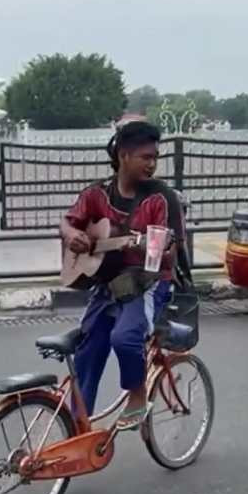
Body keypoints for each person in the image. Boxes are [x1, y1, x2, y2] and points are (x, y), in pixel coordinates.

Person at [60, 121, 188, 431]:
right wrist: (73, 236)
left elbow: (171, 253)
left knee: (125, 338)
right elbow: (67, 222)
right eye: (145, 157)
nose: (152, 163)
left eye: (155, 157)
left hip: (148, 282)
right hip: (109, 284)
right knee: (87, 353)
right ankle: (78, 429)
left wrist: (155, 249)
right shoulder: (97, 194)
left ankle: (137, 394)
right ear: (124, 155)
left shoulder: (161, 198)